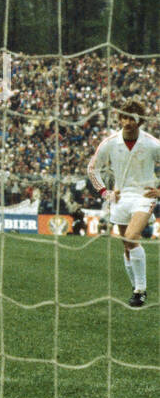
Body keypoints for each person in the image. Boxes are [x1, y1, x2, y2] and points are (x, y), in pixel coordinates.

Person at [86, 100, 160, 307]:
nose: (127, 122)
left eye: (132, 118)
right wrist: (105, 192)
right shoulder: (110, 142)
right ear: (119, 119)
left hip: (144, 196)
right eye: (124, 117)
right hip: (120, 197)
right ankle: (136, 286)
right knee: (127, 246)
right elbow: (92, 168)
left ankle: (140, 290)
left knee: (131, 236)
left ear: (140, 121)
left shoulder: (152, 144)